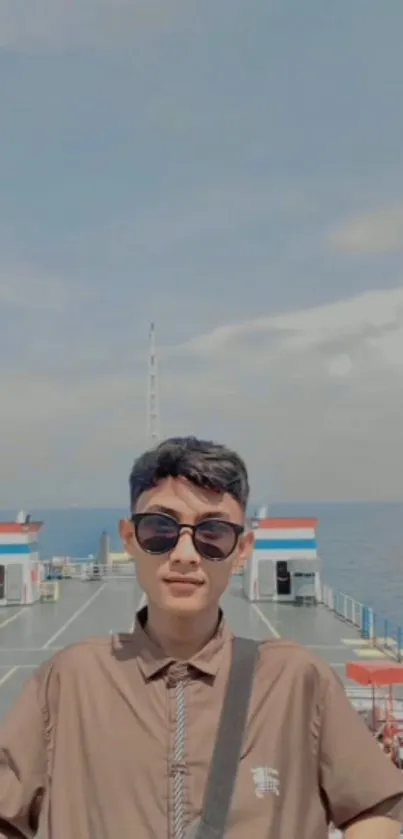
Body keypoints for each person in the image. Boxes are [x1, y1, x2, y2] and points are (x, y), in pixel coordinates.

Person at [0, 436, 402, 839]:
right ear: (128, 537)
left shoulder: (298, 682)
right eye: (160, 529)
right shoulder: (68, 681)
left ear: (242, 549)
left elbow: (377, 808)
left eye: (213, 533)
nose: (185, 554)